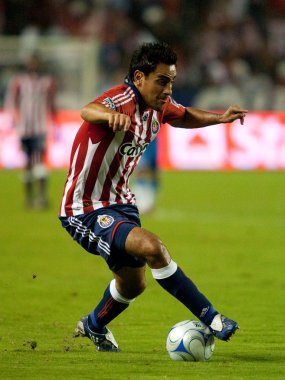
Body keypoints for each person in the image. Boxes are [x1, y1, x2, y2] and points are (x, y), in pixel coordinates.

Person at [59, 42, 247, 352]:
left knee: (135, 284)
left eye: (172, 80)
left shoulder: (158, 107)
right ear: (139, 77)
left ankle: (93, 324)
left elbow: (183, 115)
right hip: (84, 209)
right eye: (162, 80)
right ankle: (213, 318)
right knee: (153, 247)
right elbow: (87, 110)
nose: (169, 88)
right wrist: (108, 116)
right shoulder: (121, 99)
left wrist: (219, 118)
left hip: (122, 203)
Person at [5, 52, 57, 209]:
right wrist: (14, 121)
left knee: (40, 161)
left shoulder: (48, 81)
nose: (33, 64)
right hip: (25, 128)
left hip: (40, 127)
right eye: (31, 61)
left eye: (36, 61)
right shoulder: (19, 81)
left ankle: (42, 198)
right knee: (27, 162)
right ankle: (29, 198)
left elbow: (52, 103)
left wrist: (53, 123)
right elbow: (11, 102)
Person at [132, 138, 159, 214]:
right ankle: (139, 202)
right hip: (142, 138)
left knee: (153, 170)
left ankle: (149, 202)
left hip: (154, 137)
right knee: (142, 169)